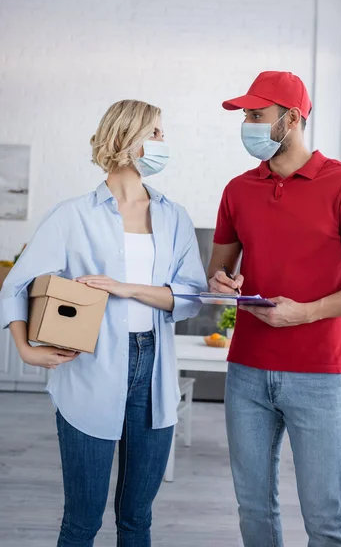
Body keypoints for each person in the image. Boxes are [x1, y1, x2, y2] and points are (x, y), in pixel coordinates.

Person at [0, 99, 207, 547]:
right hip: (90, 369)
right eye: (154, 133)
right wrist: (25, 349)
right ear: (124, 139)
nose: (162, 142)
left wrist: (128, 288)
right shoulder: (71, 215)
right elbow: (15, 286)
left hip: (154, 370)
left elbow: (191, 298)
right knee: (82, 521)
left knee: (137, 520)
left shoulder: (174, 217)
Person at [208, 71, 341, 547]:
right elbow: (220, 272)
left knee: (325, 522)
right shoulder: (238, 189)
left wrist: (307, 312)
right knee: (253, 511)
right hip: (247, 371)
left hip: (318, 375)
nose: (246, 124)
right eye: (244, 115)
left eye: (256, 114)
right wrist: (223, 284)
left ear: (291, 119)